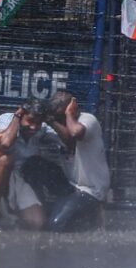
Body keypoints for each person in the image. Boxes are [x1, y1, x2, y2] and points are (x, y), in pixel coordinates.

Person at [0, 98, 60, 232]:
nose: (33, 127)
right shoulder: (7, 119)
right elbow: (5, 144)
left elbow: (65, 140)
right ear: (21, 115)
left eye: (38, 123)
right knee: (5, 159)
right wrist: (16, 116)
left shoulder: (41, 128)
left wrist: (51, 121)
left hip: (18, 176)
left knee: (37, 222)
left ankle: (11, 218)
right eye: (30, 121)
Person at [44, 91, 110, 231]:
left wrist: (68, 114)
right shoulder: (56, 126)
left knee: (56, 225)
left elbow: (74, 134)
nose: (59, 123)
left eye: (61, 117)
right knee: (33, 164)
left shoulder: (88, 120)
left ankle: (93, 216)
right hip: (70, 186)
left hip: (90, 189)